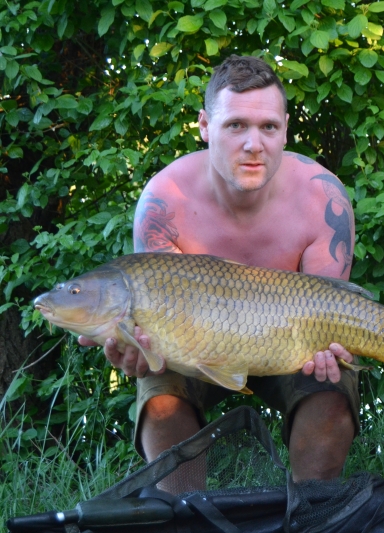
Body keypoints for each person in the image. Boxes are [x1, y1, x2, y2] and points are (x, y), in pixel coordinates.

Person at [79, 55, 358, 485]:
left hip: (287, 341)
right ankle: (185, 514)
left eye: (268, 127)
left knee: (331, 392)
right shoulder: (164, 201)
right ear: (205, 126)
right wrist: (139, 351)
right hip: (193, 341)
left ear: (285, 128)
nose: (253, 144)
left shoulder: (323, 199)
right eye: (235, 126)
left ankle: (313, 512)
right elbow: (153, 325)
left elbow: (327, 312)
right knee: (160, 397)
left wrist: (330, 347)